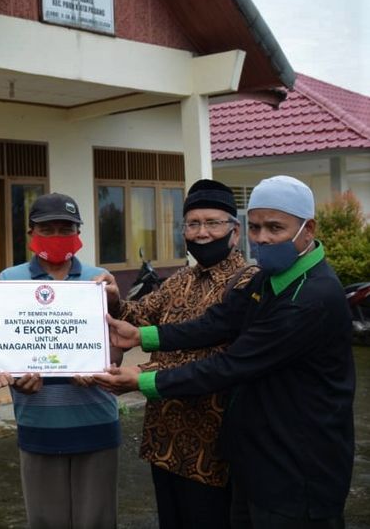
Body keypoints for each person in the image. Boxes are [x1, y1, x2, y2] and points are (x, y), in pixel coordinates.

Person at [95, 175, 354, 528]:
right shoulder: (270, 278)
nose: (262, 238)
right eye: (257, 227)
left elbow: (231, 365)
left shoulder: (310, 299)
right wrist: (143, 337)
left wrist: (143, 381)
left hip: (298, 467)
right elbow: (217, 322)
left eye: (276, 228)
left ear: (307, 229)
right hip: (255, 457)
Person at [101, 179, 255, 529]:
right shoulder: (179, 280)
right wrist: (112, 299)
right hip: (164, 440)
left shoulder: (247, 282)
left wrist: (141, 375)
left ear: (234, 230)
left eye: (212, 223)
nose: (202, 233)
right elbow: (137, 316)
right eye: (193, 223)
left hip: (213, 444)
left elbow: (221, 353)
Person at [0, 192, 120, 529]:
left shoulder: (98, 280)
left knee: (96, 521)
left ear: (79, 231)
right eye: (46, 229)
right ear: (31, 234)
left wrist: (96, 366)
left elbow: (117, 349)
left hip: (95, 420)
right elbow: (5, 348)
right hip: (39, 423)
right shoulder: (9, 281)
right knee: (46, 521)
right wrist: (17, 379)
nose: (56, 237)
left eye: (65, 228)